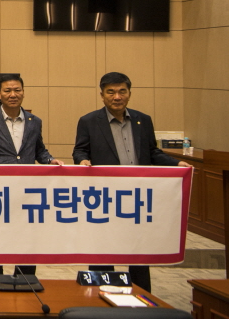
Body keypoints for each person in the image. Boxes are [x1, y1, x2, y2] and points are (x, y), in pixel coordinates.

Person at [72, 71, 192, 294]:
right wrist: (82, 161)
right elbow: (80, 150)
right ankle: (99, 293)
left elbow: (153, 152)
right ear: (102, 95)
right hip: (105, 198)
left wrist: (176, 164)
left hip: (138, 197)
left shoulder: (142, 120)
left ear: (129, 93)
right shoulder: (89, 121)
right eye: (111, 92)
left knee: (138, 249)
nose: (117, 97)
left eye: (122, 91)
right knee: (103, 248)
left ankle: (141, 293)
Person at [0, 73, 64, 278]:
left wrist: (50, 160)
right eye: (8, 90)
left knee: (27, 237)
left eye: (17, 90)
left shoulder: (34, 121)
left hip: (28, 191)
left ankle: (25, 278)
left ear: (23, 92)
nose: (13, 94)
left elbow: (40, 151)